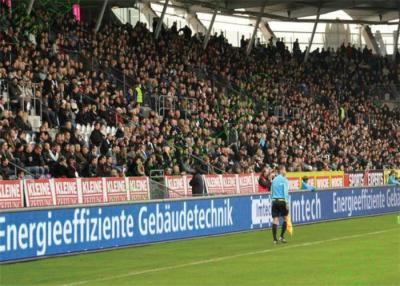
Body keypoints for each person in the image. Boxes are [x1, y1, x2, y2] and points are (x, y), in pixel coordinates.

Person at [270, 165, 289, 244]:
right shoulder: (284, 179)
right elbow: (285, 191)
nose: (285, 171)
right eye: (285, 169)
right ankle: (281, 237)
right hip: (282, 201)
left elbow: (271, 191)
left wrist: (272, 200)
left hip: (274, 201)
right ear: (281, 170)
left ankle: (275, 239)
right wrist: (286, 202)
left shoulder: (274, 180)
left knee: (275, 220)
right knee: (285, 219)